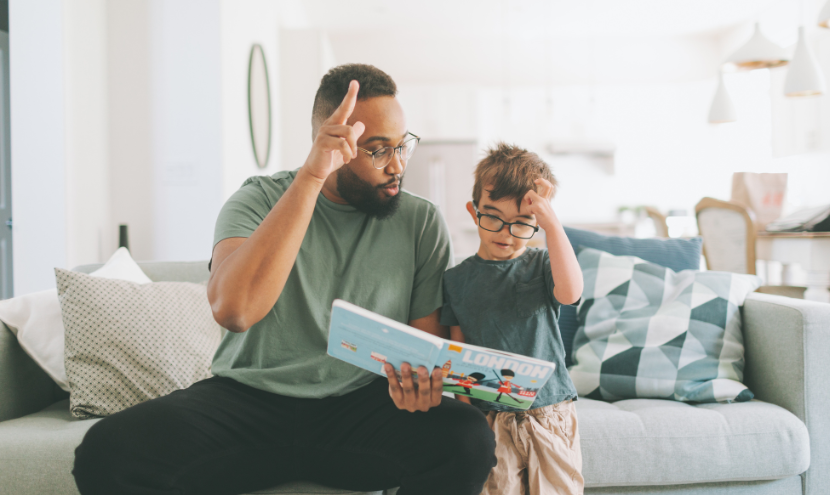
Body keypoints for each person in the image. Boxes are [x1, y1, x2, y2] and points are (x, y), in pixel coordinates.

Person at [72, 64, 496, 495]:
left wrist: (419, 386)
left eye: (403, 145)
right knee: (107, 451)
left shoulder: (419, 220)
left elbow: (425, 347)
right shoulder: (256, 199)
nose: (398, 165)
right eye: (377, 150)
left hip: (361, 407)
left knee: (466, 438)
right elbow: (234, 310)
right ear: (330, 145)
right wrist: (311, 178)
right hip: (247, 400)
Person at [440, 143, 585, 495]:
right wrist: (469, 417)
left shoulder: (540, 264)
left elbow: (572, 293)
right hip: (491, 419)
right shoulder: (455, 281)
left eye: (521, 224)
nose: (505, 233)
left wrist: (551, 224)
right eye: (493, 217)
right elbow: (457, 351)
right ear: (473, 212)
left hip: (549, 414)